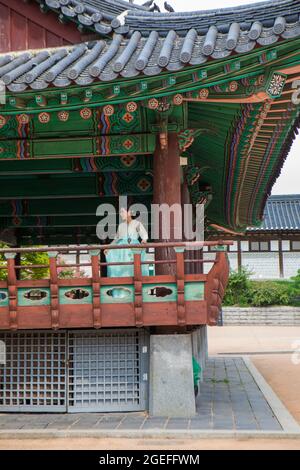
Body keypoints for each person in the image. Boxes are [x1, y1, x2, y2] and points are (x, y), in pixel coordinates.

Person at [105, 208, 149, 278]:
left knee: (134, 267)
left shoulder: (137, 224)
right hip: (122, 251)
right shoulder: (121, 226)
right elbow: (116, 239)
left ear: (130, 212)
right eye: (120, 212)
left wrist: (144, 240)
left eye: (122, 212)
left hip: (133, 248)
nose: (121, 214)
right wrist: (109, 247)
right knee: (122, 268)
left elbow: (144, 235)